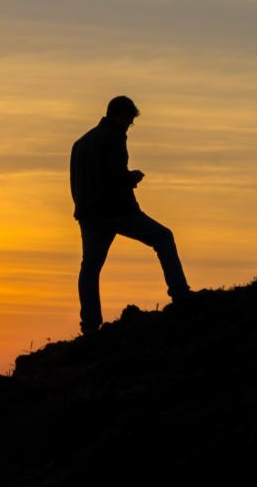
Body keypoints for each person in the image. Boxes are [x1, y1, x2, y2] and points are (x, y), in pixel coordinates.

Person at [70, 95, 191, 334]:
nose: (129, 126)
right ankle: (180, 293)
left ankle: (90, 324)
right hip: (117, 211)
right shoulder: (113, 138)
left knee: (90, 268)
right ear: (121, 115)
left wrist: (83, 211)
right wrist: (132, 177)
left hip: (89, 215)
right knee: (163, 237)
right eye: (129, 120)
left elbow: (76, 182)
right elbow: (113, 176)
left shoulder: (80, 143)